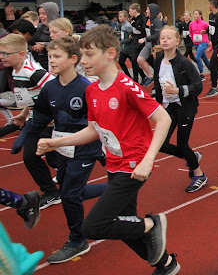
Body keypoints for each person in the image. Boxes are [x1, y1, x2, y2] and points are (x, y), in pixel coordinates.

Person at [36, 25, 179, 274]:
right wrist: (57, 142)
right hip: (114, 163)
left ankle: (152, 223)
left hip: (134, 166)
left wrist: (148, 159)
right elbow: (94, 130)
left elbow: (163, 119)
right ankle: (166, 264)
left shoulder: (126, 86)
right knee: (124, 225)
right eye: (82, 55)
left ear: (111, 53)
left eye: (90, 54)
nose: (84, 61)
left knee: (93, 226)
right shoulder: (91, 90)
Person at [30, 36, 106, 263]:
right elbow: (41, 115)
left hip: (85, 149)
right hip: (62, 149)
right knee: (69, 193)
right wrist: (27, 137)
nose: (50, 61)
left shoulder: (87, 88)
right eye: (49, 56)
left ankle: (77, 240)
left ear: (73, 59)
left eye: (56, 57)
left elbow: (99, 124)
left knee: (70, 195)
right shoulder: (50, 88)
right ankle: (115, 189)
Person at [0, 34, 57, 208]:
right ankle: (52, 190)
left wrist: (52, 116)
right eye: (1, 53)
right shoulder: (16, 71)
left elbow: (56, 88)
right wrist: (24, 113)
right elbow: (28, 97)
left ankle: (53, 191)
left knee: (34, 157)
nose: (2, 57)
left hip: (47, 121)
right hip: (35, 119)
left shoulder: (31, 71)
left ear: (21, 54)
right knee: (41, 158)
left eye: (5, 53)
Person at [153, 26, 207, 193]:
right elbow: (157, 83)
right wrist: (156, 100)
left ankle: (199, 175)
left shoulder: (185, 63)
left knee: (182, 144)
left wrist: (177, 91)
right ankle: (192, 157)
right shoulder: (158, 59)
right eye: (162, 38)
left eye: (169, 38)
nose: (165, 40)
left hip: (185, 107)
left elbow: (198, 87)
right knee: (160, 143)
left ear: (177, 41)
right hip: (168, 107)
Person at [137, 3, 163, 87]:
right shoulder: (148, 20)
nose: (146, 11)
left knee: (158, 65)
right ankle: (150, 76)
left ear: (152, 11)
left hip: (156, 45)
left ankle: (159, 83)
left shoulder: (157, 22)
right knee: (140, 59)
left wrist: (145, 39)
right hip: (149, 44)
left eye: (148, 9)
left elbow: (157, 35)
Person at [189, 9, 210, 82]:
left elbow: (210, 30)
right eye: (194, 14)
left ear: (200, 15)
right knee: (204, 58)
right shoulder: (191, 23)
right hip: (196, 43)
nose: (195, 16)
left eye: (196, 14)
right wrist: (193, 40)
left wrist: (208, 40)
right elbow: (191, 32)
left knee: (197, 57)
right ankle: (213, 72)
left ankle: (201, 74)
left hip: (203, 42)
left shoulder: (204, 23)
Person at [128, 3, 147, 84]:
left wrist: (134, 24)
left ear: (134, 11)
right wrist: (132, 34)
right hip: (135, 41)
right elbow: (135, 30)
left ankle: (146, 76)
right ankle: (136, 78)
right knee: (134, 60)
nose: (129, 13)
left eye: (130, 11)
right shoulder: (134, 19)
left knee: (146, 59)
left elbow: (142, 30)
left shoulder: (142, 19)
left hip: (141, 41)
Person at [117, 11, 134, 80]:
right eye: (119, 16)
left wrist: (120, 42)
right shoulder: (123, 25)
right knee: (120, 61)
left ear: (126, 17)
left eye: (121, 16)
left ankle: (142, 75)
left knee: (134, 63)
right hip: (124, 48)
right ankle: (128, 76)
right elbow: (123, 36)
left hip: (129, 48)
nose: (119, 18)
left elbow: (130, 38)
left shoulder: (128, 26)